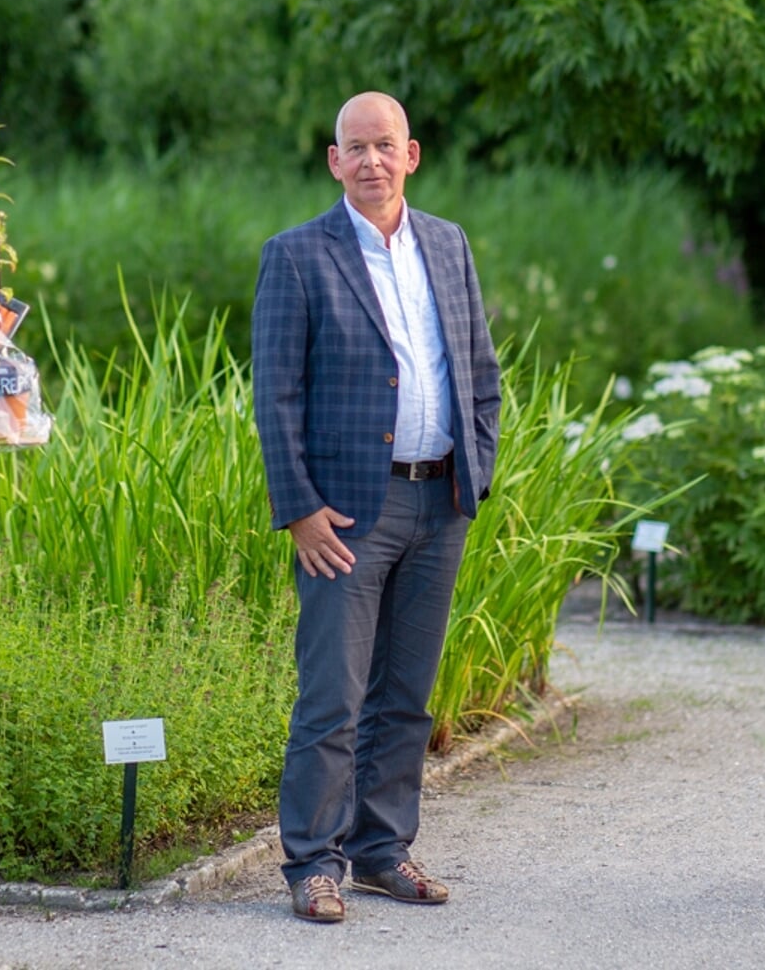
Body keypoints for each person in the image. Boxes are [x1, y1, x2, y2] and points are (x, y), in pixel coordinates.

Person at [252, 91, 501, 923]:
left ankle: (381, 849)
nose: (370, 161)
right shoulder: (295, 256)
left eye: (383, 146)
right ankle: (311, 863)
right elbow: (275, 396)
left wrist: (478, 472)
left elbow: (480, 373)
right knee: (332, 695)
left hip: (442, 502)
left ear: (412, 154)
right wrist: (299, 510)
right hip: (347, 517)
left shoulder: (447, 244)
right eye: (353, 148)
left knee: (407, 694)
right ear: (333, 161)